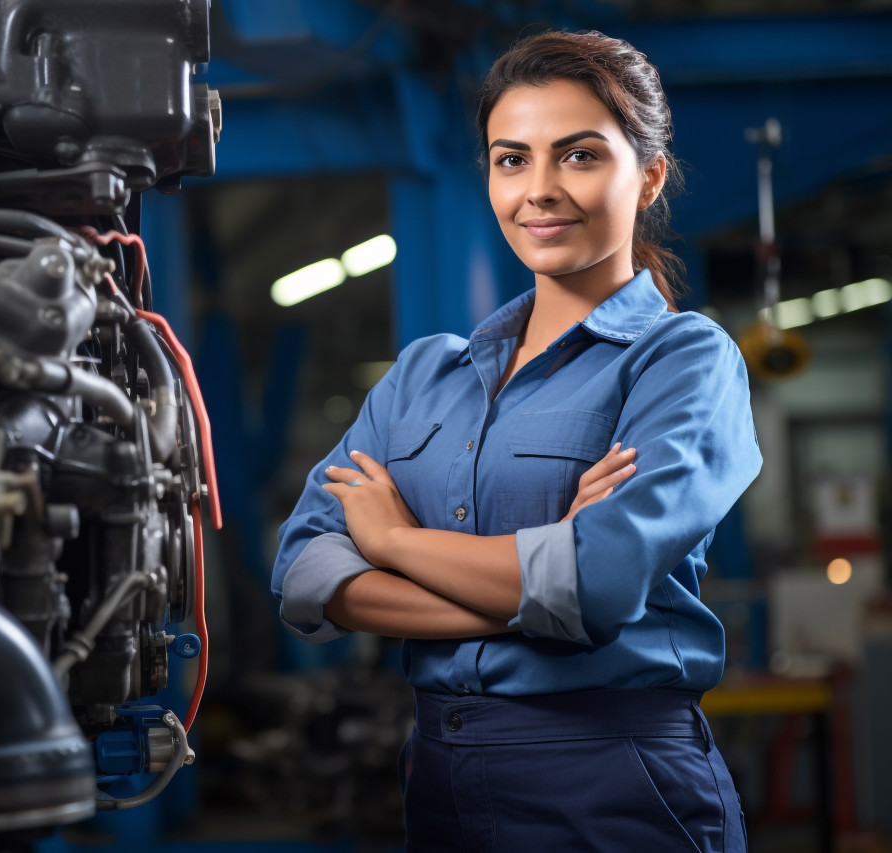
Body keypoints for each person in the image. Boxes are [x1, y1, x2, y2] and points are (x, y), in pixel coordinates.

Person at [270, 30, 762, 852]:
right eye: (511, 159)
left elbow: (594, 583)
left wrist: (393, 539)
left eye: (578, 156)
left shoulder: (684, 363)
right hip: (439, 781)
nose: (540, 191)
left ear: (647, 177)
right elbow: (303, 570)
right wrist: (533, 595)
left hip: (615, 782)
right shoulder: (426, 374)